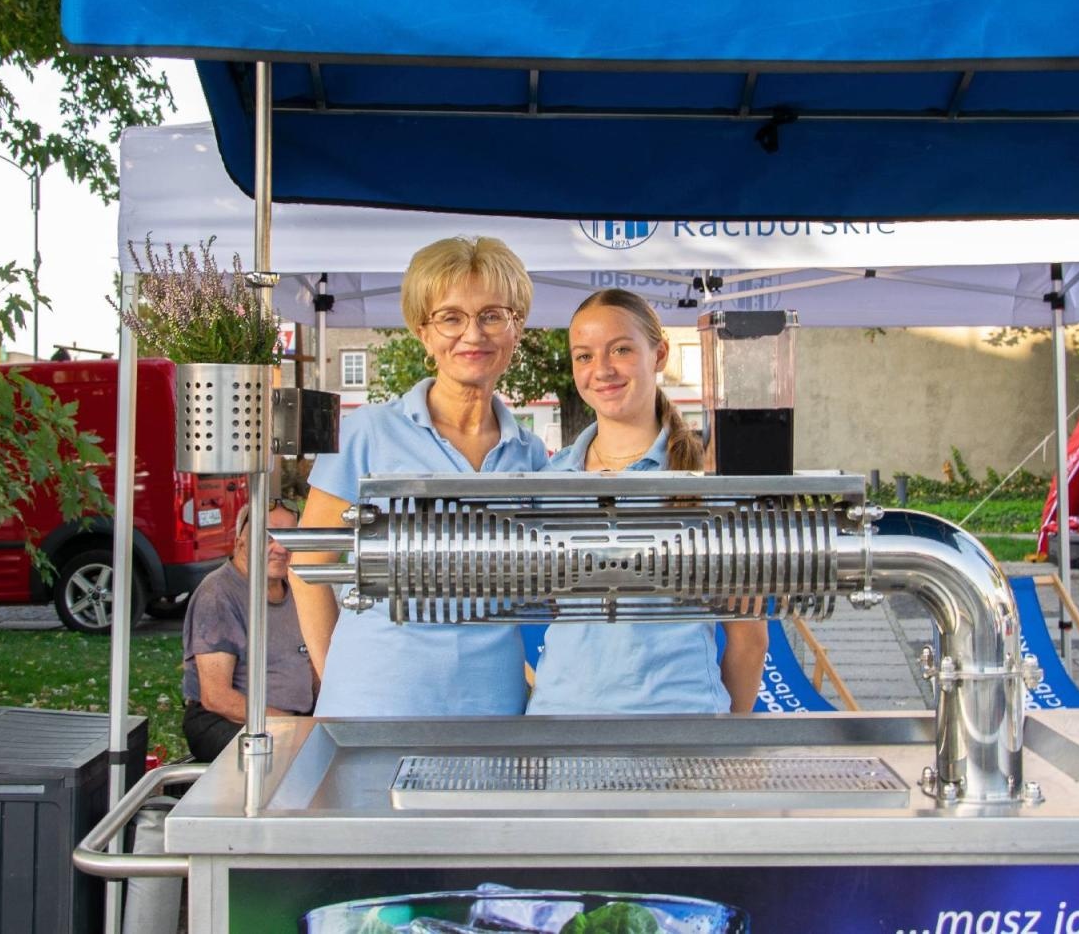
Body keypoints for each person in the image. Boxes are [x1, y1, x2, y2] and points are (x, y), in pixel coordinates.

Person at [292, 236, 548, 716]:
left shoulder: (530, 455)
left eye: (493, 315)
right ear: (422, 332)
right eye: (451, 317)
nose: (473, 335)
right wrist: (339, 675)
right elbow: (308, 564)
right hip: (375, 700)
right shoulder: (367, 431)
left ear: (517, 329)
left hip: (492, 702)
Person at [527, 288, 769, 715]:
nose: (601, 370)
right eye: (584, 356)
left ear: (659, 355)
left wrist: (727, 742)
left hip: (681, 728)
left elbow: (749, 639)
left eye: (620, 349)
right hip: (562, 725)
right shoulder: (551, 481)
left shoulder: (711, 482)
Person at [181, 500, 315, 761]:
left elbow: (312, 666)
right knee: (297, 756)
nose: (281, 547)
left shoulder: (298, 588)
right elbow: (216, 697)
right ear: (240, 542)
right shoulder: (218, 594)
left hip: (290, 721)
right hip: (223, 722)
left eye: (290, 537)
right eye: (268, 537)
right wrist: (292, 726)